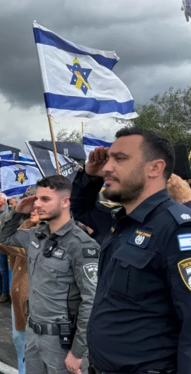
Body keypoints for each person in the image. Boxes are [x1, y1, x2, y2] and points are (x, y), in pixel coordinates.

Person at [71, 127, 191, 374]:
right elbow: (81, 209)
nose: (107, 167)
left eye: (120, 159)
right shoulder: (121, 220)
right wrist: (89, 176)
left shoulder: (177, 229)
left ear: (155, 168)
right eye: (108, 159)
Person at [0, 175, 99, 374]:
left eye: (45, 199)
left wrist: (78, 352)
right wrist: (17, 212)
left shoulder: (81, 245)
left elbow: (91, 302)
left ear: (65, 202)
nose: (37, 204)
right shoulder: (36, 235)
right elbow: (3, 237)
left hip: (62, 342)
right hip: (33, 334)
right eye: (37, 199)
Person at [0, 207, 40, 374]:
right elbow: (7, 249)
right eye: (33, 205)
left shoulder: (48, 232)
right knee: (19, 340)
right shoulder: (25, 225)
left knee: (31, 344)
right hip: (18, 293)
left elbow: (23, 250)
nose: (34, 208)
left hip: (33, 295)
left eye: (41, 202)